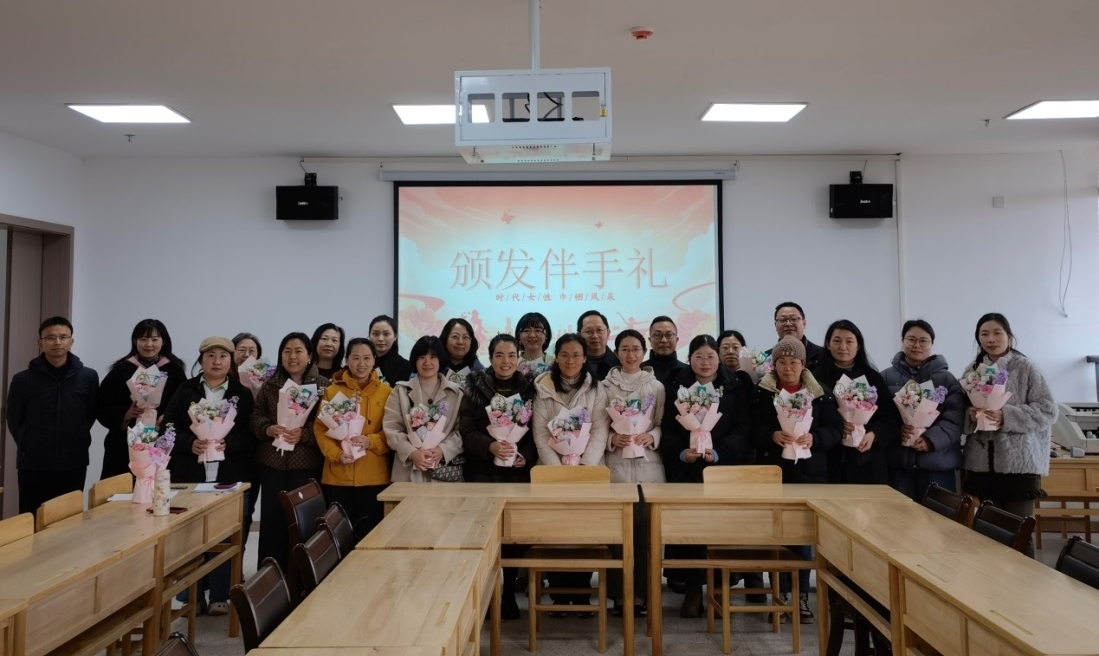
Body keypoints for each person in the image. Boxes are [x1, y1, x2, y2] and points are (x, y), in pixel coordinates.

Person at [661, 334, 753, 618]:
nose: (705, 362)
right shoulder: (676, 386)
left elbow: (743, 427)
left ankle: (719, 589)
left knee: (720, 530)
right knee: (691, 531)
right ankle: (692, 590)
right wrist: (681, 452)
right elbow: (667, 427)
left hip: (721, 471)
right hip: (687, 471)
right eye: (698, 357)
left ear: (718, 358)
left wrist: (720, 452)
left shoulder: (734, 386)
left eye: (710, 356)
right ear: (689, 359)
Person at [752, 336, 842, 624]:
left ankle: (801, 595)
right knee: (776, 536)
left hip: (809, 474)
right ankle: (780, 596)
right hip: (774, 473)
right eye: (782, 362)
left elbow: (835, 429)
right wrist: (770, 434)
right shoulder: (763, 392)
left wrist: (816, 437)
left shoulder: (820, 392)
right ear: (774, 365)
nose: (788, 368)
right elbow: (751, 426)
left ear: (803, 364)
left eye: (794, 362)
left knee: (803, 537)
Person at [163, 336, 255, 616]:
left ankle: (220, 594)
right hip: (191, 473)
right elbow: (168, 426)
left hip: (228, 474)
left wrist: (231, 443)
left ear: (231, 361)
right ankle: (190, 596)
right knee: (189, 535)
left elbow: (250, 433)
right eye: (211, 356)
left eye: (223, 356)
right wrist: (189, 443)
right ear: (201, 360)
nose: (217, 361)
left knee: (224, 533)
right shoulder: (185, 390)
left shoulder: (242, 393)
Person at [961, 313, 1056, 555]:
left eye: (997, 333)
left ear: (1009, 336)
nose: (991, 339)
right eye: (984, 334)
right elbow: (960, 410)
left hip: (1018, 465)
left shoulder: (1026, 367)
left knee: (1019, 533)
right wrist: (970, 415)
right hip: (982, 464)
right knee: (989, 534)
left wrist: (1007, 416)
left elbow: (1048, 410)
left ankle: (1025, 579)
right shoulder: (972, 371)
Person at [460, 333, 537, 620]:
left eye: (512, 355)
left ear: (519, 357)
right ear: (490, 358)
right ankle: (487, 593)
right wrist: (489, 446)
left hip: (516, 474)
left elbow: (537, 430)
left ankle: (508, 595)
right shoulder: (475, 387)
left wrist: (524, 455)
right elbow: (466, 429)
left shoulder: (530, 388)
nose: (506, 361)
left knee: (515, 536)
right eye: (499, 355)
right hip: (482, 472)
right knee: (484, 534)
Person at [532, 333, 610, 613]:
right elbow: (540, 433)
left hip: (588, 472)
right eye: (564, 355)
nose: (570, 360)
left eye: (576, 355)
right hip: (551, 474)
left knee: (584, 533)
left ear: (585, 358)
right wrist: (557, 472)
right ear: (556, 357)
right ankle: (558, 594)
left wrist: (585, 468)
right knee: (556, 533)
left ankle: (581, 592)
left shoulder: (596, 388)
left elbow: (600, 429)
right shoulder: (543, 387)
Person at [251, 332, 330, 572]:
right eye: (287, 351)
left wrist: (304, 435)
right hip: (273, 466)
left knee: (304, 526)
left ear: (310, 356)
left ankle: (303, 579)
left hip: (305, 468)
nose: (292, 356)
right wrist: (268, 428)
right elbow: (255, 416)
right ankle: (270, 577)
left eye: (298, 351)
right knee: (272, 525)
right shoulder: (270, 385)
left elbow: (330, 424)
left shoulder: (324, 386)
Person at [7, 317, 99, 515]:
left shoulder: (88, 377)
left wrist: (78, 435)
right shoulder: (23, 380)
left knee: (68, 519)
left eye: (63, 337)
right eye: (50, 338)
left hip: (74, 461)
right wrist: (27, 442)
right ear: (40, 343)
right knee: (33, 518)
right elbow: (14, 418)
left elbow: (90, 413)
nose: (57, 342)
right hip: (34, 464)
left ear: (71, 341)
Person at [603, 329, 665, 618]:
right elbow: (597, 426)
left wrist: (652, 436)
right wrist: (611, 439)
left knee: (645, 534)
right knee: (617, 535)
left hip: (648, 469)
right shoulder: (604, 387)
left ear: (644, 352)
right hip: (615, 467)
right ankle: (618, 594)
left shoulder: (656, 386)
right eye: (625, 349)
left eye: (636, 349)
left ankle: (644, 593)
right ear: (617, 352)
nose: (630, 354)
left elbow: (662, 423)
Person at [314, 337, 393, 540]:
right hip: (338, 477)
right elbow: (320, 428)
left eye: (367, 358)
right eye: (356, 358)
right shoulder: (332, 391)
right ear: (347, 360)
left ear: (374, 360)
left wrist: (371, 441)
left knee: (371, 537)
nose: (361, 363)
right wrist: (336, 454)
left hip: (374, 477)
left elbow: (393, 430)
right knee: (339, 538)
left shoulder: (387, 392)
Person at [881, 320, 964, 500]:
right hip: (899, 465)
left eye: (923, 340)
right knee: (900, 516)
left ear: (932, 344)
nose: (917, 345)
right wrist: (897, 430)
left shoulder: (947, 379)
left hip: (937, 464)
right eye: (911, 339)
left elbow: (955, 418)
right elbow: (881, 417)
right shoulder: (885, 377)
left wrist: (931, 439)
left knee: (938, 516)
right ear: (902, 341)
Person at [95, 319, 187, 479]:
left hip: (160, 439)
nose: (149, 344)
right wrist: (125, 414)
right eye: (143, 339)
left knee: (157, 485)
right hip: (124, 443)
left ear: (163, 341)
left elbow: (183, 404)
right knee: (123, 486)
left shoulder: (174, 370)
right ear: (135, 341)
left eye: (154, 339)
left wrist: (167, 417)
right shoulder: (121, 370)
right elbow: (101, 403)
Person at [812, 320, 900, 486]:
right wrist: (837, 427)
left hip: (866, 460)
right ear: (828, 344)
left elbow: (891, 418)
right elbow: (808, 417)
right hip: (827, 459)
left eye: (849, 341)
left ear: (858, 345)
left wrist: (873, 435)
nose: (843, 347)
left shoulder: (872, 378)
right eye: (837, 341)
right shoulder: (815, 378)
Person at [384, 336, 464, 482]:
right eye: (422, 357)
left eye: (433, 357)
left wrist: (443, 450)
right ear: (415, 360)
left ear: (440, 360)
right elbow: (392, 428)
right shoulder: (400, 391)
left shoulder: (456, 393)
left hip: (444, 473)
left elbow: (462, 429)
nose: (427, 362)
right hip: (408, 472)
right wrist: (411, 452)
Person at [765, 302, 824, 370]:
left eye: (793, 319)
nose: (788, 324)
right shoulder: (766, 358)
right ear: (775, 325)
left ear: (804, 324)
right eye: (782, 320)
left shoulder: (823, 355)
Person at [439, 317, 484, 388]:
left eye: (465, 337)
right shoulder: (433, 366)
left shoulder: (480, 373)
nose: (460, 342)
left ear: (471, 342)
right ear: (445, 339)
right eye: (455, 336)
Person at [577, 310, 619, 382]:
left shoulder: (620, 363)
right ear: (579, 335)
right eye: (588, 331)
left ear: (608, 333)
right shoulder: (572, 364)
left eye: (599, 330)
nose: (595, 336)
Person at [369, 315, 412, 384]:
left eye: (386, 334)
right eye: (375, 334)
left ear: (395, 336)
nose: (380, 338)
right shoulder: (363, 364)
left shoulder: (407, 368)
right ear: (369, 335)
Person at [641, 316, 684, 383]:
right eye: (658, 335)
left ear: (676, 340)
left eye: (669, 335)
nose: (664, 340)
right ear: (650, 340)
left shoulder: (688, 371)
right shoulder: (638, 371)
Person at [515, 312, 554, 378]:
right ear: (519, 336)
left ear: (546, 335)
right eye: (526, 330)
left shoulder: (555, 363)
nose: (532, 335)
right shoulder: (512, 363)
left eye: (538, 330)